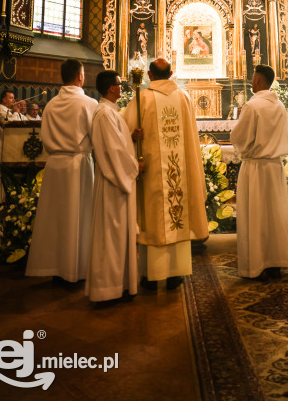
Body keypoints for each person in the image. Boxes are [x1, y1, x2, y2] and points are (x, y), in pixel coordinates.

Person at [122, 58, 208, 290]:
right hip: (181, 171)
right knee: (178, 211)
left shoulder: (142, 99)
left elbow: (123, 131)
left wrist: (133, 136)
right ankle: (175, 273)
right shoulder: (184, 98)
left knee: (154, 217)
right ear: (171, 75)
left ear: (150, 75)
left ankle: (152, 274)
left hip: (152, 174)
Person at [26, 59, 97, 282]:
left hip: (55, 165)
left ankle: (54, 267)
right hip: (79, 165)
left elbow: (45, 138)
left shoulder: (51, 105)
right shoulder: (89, 104)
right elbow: (97, 137)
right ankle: (78, 269)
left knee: (55, 217)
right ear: (80, 76)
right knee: (79, 216)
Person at [230, 64, 288, 280]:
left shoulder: (252, 106)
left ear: (257, 80)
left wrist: (242, 146)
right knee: (275, 216)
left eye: (252, 77)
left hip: (256, 168)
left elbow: (239, 137)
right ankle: (276, 263)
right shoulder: (280, 106)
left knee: (256, 216)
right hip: (275, 168)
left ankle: (257, 265)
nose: (251, 81)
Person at [86, 71, 142, 303]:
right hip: (114, 183)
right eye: (119, 84)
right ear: (111, 88)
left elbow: (118, 142)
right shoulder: (104, 114)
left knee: (118, 236)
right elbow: (114, 151)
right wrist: (136, 166)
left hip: (116, 180)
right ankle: (108, 288)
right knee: (111, 236)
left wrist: (131, 136)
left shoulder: (109, 111)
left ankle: (120, 284)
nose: (122, 88)